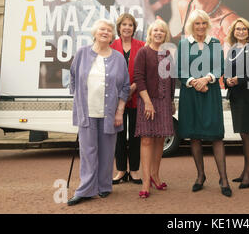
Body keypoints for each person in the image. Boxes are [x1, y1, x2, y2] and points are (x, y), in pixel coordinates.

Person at [67, 19, 130, 206]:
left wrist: (120, 111)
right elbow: (72, 76)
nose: (106, 32)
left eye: (109, 30)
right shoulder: (82, 54)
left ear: (112, 36)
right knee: (88, 151)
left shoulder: (118, 57)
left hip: (110, 112)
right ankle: (86, 189)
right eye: (102, 29)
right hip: (87, 111)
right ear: (95, 33)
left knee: (107, 151)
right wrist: (77, 97)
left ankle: (104, 186)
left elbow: (125, 87)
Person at [41, 0, 122, 88]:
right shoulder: (66, 12)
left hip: (122, 96)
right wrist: (82, 66)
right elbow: (44, 48)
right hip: (81, 93)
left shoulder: (131, 15)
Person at [177, 9, 232, 197]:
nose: (200, 27)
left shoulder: (215, 43)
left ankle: (223, 179)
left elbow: (220, 68)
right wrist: (194, 82)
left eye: (203, 23)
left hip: (210, 93)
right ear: (191, 25)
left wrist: (206, 79)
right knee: (194, 136)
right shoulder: (184, 44)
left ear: (207, 25)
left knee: (216, 136)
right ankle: (200, 176)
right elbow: (181, 70)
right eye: (196, 23)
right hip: (191, 94)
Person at [133, 19, 176, 199]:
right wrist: (148, 102)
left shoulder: (168, 54)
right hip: (147, 101)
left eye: (162, 31)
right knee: (147, 141)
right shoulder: (143, 52)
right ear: (150, 33)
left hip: (164, 102)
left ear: (165, 35)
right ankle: (145, 181)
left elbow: (171, 79)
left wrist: (172, 101)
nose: (159, 33)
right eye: (156, 30)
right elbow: (138, 77)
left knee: (160, 139)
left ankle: (155, 175)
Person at [224, 18, 249, 189]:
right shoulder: (231, 50)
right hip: (235, 96)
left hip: (247, 97)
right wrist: (227, 80)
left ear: (248, 32)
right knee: (241, 133)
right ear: (233, 32)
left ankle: (248, 173)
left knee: (245, 134)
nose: (241, 32)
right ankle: (248, 169)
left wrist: (239, 79)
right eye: (238, 29)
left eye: (244, 29)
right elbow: (226, 72)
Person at [110, 13, 145, 185]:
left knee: (135, 135)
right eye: (124, 24)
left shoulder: (142, 46)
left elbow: (145, 71)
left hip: (137, 97)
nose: (127, 27)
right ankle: (121, 170)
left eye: (130, 25)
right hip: (116, 100)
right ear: (119, 27)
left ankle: (135, 170)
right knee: (119, 135)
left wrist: (133, 87)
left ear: (134, 28)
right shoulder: (111, 46)